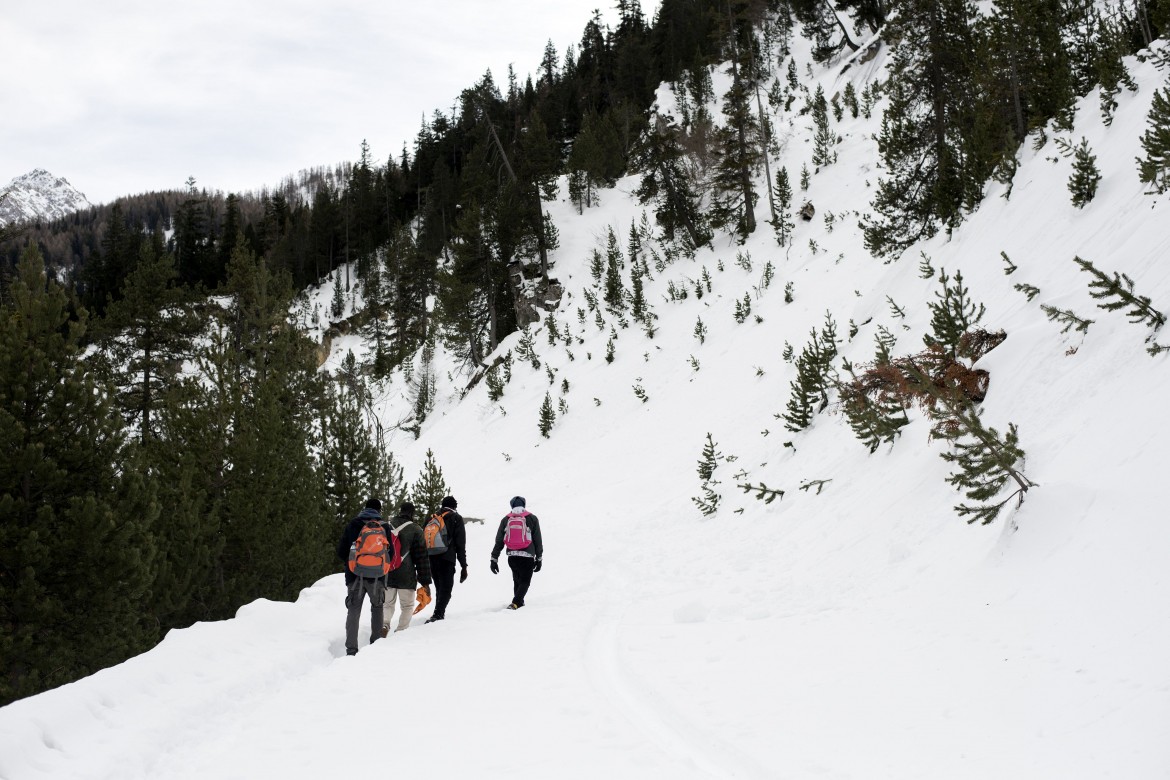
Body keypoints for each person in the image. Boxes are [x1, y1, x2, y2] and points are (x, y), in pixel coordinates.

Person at [336, 498, 390, 656]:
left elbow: (341, 551)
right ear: (379, 511)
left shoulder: (353, 525)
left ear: (365, 508)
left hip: (355, 576)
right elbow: (390, 554)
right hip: (377, 577)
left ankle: (351, 649)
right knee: (377, 608)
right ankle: (376, 644)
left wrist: (352, 562)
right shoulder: (384, 527)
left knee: (354, 610)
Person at [382, 502, 432, 636]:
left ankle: (384, 625)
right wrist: (425, 582)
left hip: (388, 571)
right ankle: (401, 632)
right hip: (407, 574)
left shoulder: (387, 525)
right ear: (412, 513)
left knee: (387, 604)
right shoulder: (416, 529)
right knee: (407, 606)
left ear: (400, 510)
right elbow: (421, 558)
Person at [490, 496, 543, 610]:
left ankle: (519, 602)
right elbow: (538, 540)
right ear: (524, 505)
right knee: (525, 581)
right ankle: (516, 603)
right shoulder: (532, 518)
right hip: (527, 556)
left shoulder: (506, 519)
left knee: (517, 580)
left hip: (512, 556)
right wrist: (539, 558)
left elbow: (499, 541)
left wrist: (494, 559)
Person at [424, 495, 467, 623]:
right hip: (447, 559)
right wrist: (464, 566)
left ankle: (437, 613)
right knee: (446, 589)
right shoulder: (456, 518)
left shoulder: (431, 518)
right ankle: (438, 615)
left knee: (439, 588)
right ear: (455, 506)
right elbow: (460, 544)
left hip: (431, 557)